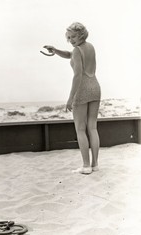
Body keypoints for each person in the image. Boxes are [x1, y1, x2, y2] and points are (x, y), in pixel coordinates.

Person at [44, 22, 101, 174]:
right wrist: (55, 50)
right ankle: (95, 164)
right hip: (95, 86)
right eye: (68, 38)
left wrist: (70, 98)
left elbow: (77, 75)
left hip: (82, 88)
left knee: (80, 130)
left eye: (73, 36)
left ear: (81, 34)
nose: (71, 40)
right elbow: (70, 54)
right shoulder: (89, 47)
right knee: (93, 128)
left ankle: (86, 166)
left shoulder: (77, 50)